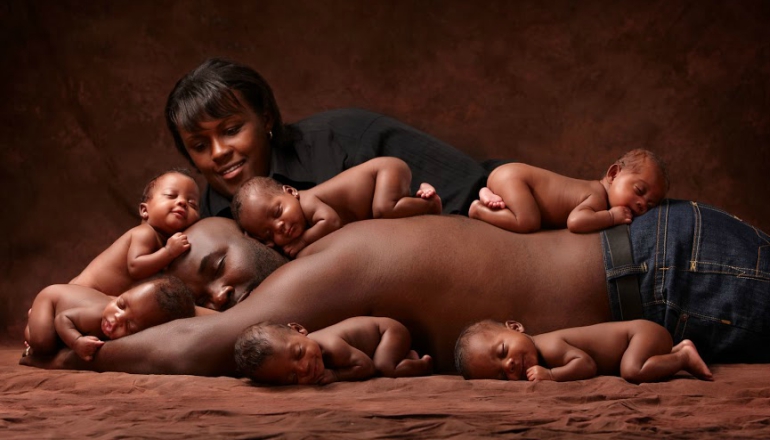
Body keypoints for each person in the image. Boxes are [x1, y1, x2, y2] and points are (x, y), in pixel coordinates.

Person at [20, 199, 770, 376]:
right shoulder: (336, 267)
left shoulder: (329, 264)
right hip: (662, 263)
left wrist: (71, 320)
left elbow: (188, 344)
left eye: (217, 267)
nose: (221, 297)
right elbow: (186, 319)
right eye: (206, 291)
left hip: (668, 273)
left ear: (254, 238)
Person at [164, 57, 496, 219]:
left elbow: (469, 187)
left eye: (231, 130)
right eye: (199, 145)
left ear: (265, 118)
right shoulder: (202, 220)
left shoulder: (347, 136)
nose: (219, 152)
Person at [232, 157, 441, 257]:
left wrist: (303, 240)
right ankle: (417, 197)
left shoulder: (307, 200)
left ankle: (429, 203)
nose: (280, 226)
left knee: (383, 210)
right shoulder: (297, 215)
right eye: (269, 232)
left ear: (290, 192)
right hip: (380, 183)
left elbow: (331, 221)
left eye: (278, 212)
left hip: (384, 171)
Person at [469, 149, 668, 233]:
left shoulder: (591, 190)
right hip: (517, 179)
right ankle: (479, 209)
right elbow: (575, 222)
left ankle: (490, 193)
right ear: (614, 174)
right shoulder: (597, 197)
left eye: (650, 204)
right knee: (527, 221)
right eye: (639, 190)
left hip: (508, 175)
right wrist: (610, 217)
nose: (642, 204)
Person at [454, 319, 713, 383]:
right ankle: (677, 350)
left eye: (502, 351)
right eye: (500, 376)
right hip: (642, 340)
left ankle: (683, 357)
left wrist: (552, 375)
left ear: (516, 327)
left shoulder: (550, 346)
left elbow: (587, 365)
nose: (508, 365)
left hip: (641, 334)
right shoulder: (541, 351)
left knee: (632, 371)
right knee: (632, 366)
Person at [69, 169, 200, 296]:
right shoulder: (145, 233)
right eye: (171, 195)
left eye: (192, 204)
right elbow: (136, 268)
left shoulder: (163, 241)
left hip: (94, 298)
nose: (182, 202)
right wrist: (169, 252)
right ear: (144, 211)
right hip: (83, 292)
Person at [24, 275, 195, 361]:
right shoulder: (96, 315)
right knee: (43, 346)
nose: (116, 318)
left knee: (56, 340)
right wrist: (76, 342)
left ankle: (39, 322)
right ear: (120, 295)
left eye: (129, 325)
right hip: (52, 302)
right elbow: (63, 319)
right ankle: (33, 323)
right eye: (121, 305)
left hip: (70, 318)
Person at [235, 317, 433, 385]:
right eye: (292, 377)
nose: (303, 368)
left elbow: (366, 366)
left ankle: (421, 363)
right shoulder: (314, 355)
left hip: (388, 332)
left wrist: (336, 375)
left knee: (383, 367)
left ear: (299, 330)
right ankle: (404, 358)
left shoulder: (332, 347)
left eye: (298, 353)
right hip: (376, 345)